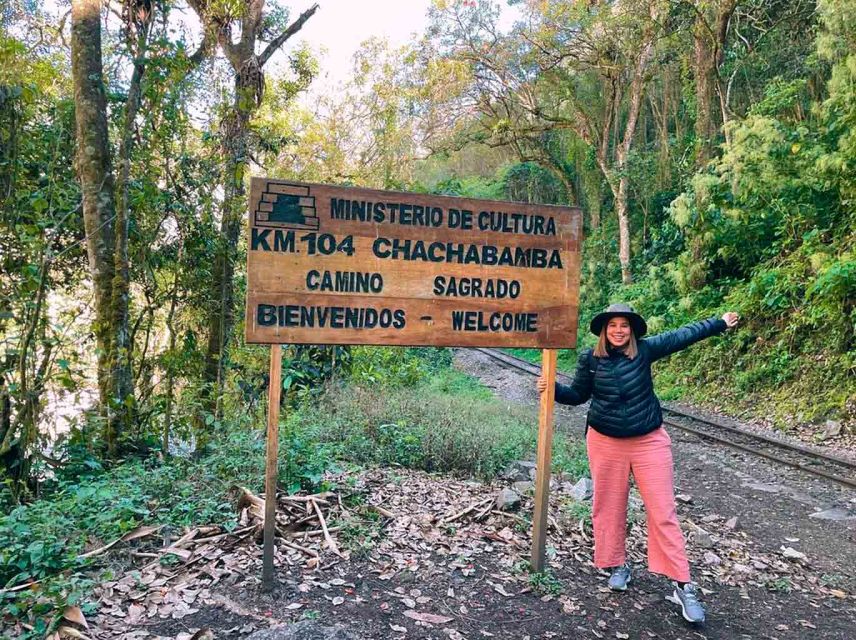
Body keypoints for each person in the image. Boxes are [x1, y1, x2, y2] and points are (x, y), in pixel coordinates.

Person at [536, 303, 739, 624]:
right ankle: (617, 565)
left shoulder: (644, 351)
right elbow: (578, 395)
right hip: (604, 440)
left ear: (632, 330)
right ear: (604, 330)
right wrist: (552, 390)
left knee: (663, 511)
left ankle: (682, 584)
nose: (619, 330)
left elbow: (682, 335)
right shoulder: (591, 359)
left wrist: (719, 323)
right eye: (613, 325)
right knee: (608, 506)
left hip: (648, 439)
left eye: (624, 325)